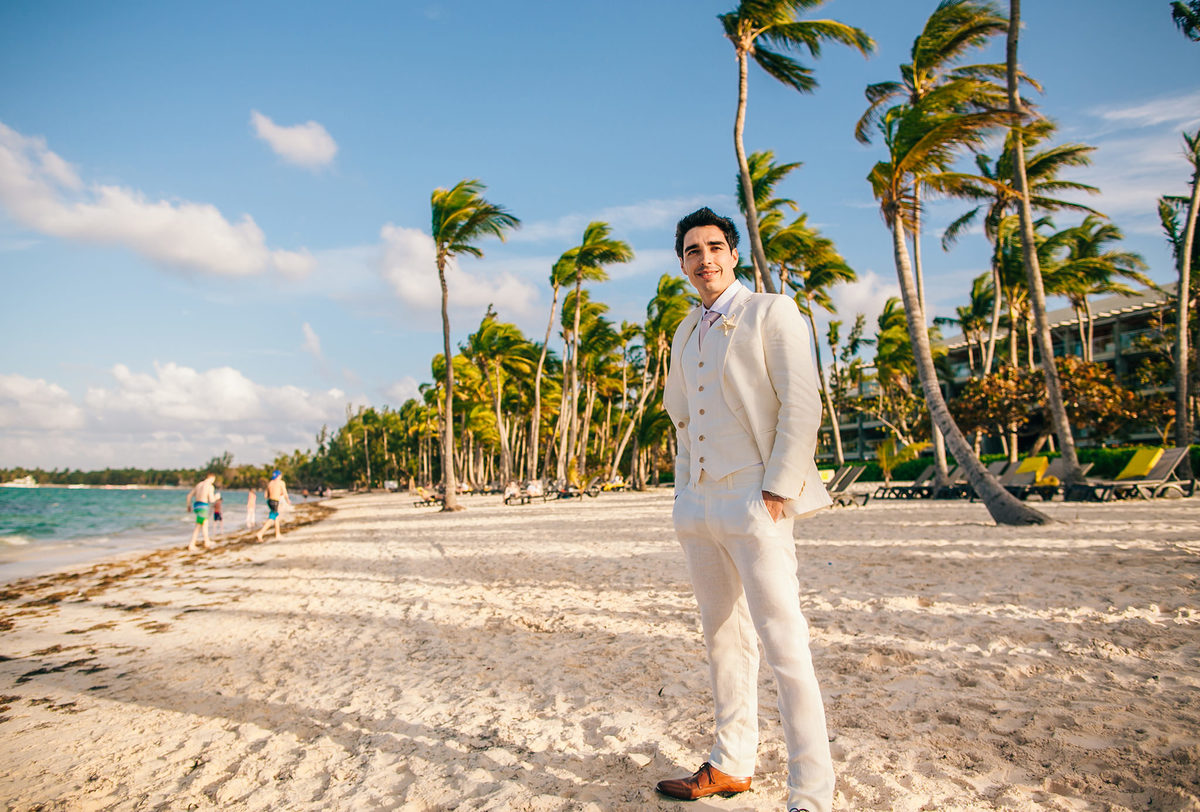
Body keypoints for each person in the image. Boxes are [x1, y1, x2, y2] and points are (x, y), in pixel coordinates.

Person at [656, 208, 834, 812]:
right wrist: (685, 494)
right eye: (691, 251)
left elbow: (801, 402)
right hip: (700, 505)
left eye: (714, 247)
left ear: (733, 254)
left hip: (756, 496)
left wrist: (778, 488)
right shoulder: (684, 331)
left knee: (784, 644)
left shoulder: (770, 312)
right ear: (681, 263)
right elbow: (682, 416)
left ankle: (812, 793)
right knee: (722, 642)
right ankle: (732, 763)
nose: (704, 259)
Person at [185, 473, 218, 552]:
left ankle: (207, 542)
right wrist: (217, 497)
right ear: (212, 478)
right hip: (203, 506)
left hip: (196, 505)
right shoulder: (210, 486)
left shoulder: (199, 484)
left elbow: (189, 496)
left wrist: (189, 506)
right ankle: (192, 544)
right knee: (198, 525)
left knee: (204, 524)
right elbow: (211, 500)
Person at [256, 470, 290, 542]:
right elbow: (285, 493)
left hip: (270, 501)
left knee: (276, 517)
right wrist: (288, 500)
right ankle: (260, 533)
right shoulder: (281, 483)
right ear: (279, 476)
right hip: (275, 502)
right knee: (272, 518)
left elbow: (266, 496)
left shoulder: (270, 483)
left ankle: (277, 534)